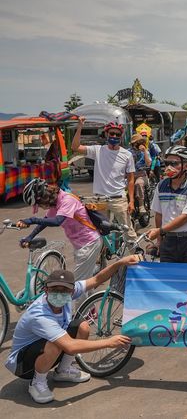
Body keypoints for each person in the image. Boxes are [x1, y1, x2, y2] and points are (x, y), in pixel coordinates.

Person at [4, 257, 138, 404]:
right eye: (54, 289)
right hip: (22, 365)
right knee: (56, 343)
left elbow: (96, 279)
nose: (60, 294)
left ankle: (63, 371)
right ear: (46, 289)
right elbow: (70, 346)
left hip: (41, 348)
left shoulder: (70, 293)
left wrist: (119, 263)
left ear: (72, 291)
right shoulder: (39, 314)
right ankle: (37, 383)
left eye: (65, 290)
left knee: (83, 326)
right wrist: (109, 342)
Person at [18, 179, 104, 302]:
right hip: (81, 245)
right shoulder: (56, 201)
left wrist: (31, 220)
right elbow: (46, 221)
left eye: (39, 204)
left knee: (77, 287)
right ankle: (90, 311)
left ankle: (79, 319)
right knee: (85, 281)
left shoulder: (66, 200)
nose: (41, 207)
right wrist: (30, 236)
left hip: (89, 243)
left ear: (44, 197)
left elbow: (57, 221)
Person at [71, 117, 137, 242]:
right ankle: (101, 260)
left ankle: (136, 258)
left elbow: (131, 180)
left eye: (117, 134)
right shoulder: (98, 150)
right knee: (99, 233)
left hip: (119, 199)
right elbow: (75, 147)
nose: (114, 136)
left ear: (121, 136)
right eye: (111, 133)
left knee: (128, 232)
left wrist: (132, 201)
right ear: (106, 134)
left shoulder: (127, 155)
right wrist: (80, 126)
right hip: (100, 199)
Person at [148, 146, 187, 263]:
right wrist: (159, 241)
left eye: (174, 163)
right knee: (167, 279)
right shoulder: (161, 186)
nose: (169, 167)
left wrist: (159, 231)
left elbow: (185, 218)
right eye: (167, 163)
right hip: (168, 241)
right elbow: (159, 214)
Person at [129, 133, 157, 217]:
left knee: (138, 184)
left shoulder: (146, 151)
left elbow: (149, 163)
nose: (138, 144)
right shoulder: (128, 152)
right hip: (130, 176)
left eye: (140, 142)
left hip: (142, 175)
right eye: (136, 143)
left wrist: (144, 151)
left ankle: (141, 206)